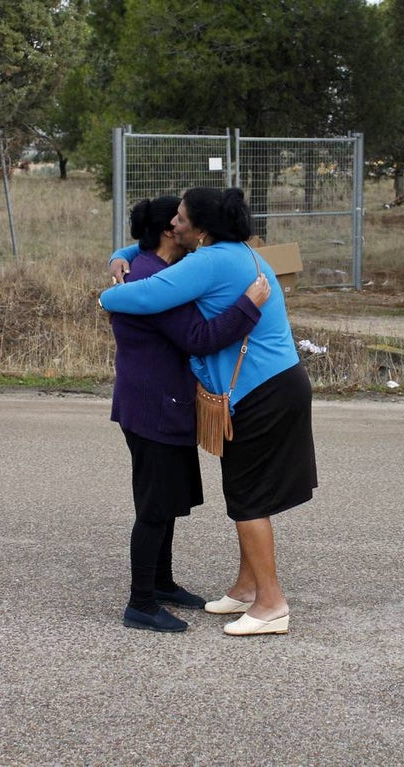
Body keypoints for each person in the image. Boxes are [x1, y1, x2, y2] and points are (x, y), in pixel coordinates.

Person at [100, 187, 317, 637]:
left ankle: (271, 604)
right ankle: (245, 588)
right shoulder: (236, 253)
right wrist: (120, 254)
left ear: (200, 230)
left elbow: (147, 298)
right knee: (242, 492)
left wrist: (107, 296)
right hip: (272, 384)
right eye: (172, 219)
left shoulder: (207, 262)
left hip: (261, 390)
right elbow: (148, 254)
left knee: (248, 497)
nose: (176, 223)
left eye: (182, 218)